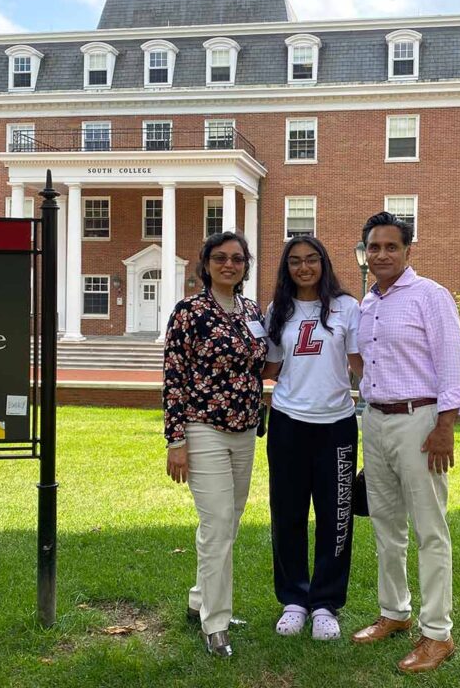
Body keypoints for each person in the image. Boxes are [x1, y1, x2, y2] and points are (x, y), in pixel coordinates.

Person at [351, 212, 460, 674]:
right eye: (373, 248)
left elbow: (453, 365)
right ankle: (394, 613)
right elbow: (365, 363)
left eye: (390, 247)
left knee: (429, 530)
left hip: (420, 422)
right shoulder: (367, 305)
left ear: (407, 251)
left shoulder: (430, 296)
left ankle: (437, 633)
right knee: (385, 525)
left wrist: (444, 427)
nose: (381, 254)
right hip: (375, 422)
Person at [162, 230, 268, 658]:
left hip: (244, 429)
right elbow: (174, 376)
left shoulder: (251, 310)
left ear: (246, 265)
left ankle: (198, 598)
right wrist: (175, 440)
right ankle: (215, 623)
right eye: (221, 258)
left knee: (228, 522)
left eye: (238, 259)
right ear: (205, 264)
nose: (230, 264)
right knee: (218, 521)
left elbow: (263, 364)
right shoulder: (189, 311)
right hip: (202, 426)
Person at [262, 236, 363, 641]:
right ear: (287, 268)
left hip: (336, 424)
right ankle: (293, 599)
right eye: (295, 262)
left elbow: (360, 365)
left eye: (311, 260)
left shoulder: (347, 307)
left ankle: (325, 603)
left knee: (335, 516)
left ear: (324, 262)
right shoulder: (277, 310)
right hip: (287, 421)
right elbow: (269, 367)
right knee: (287, 514)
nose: (304, 268)